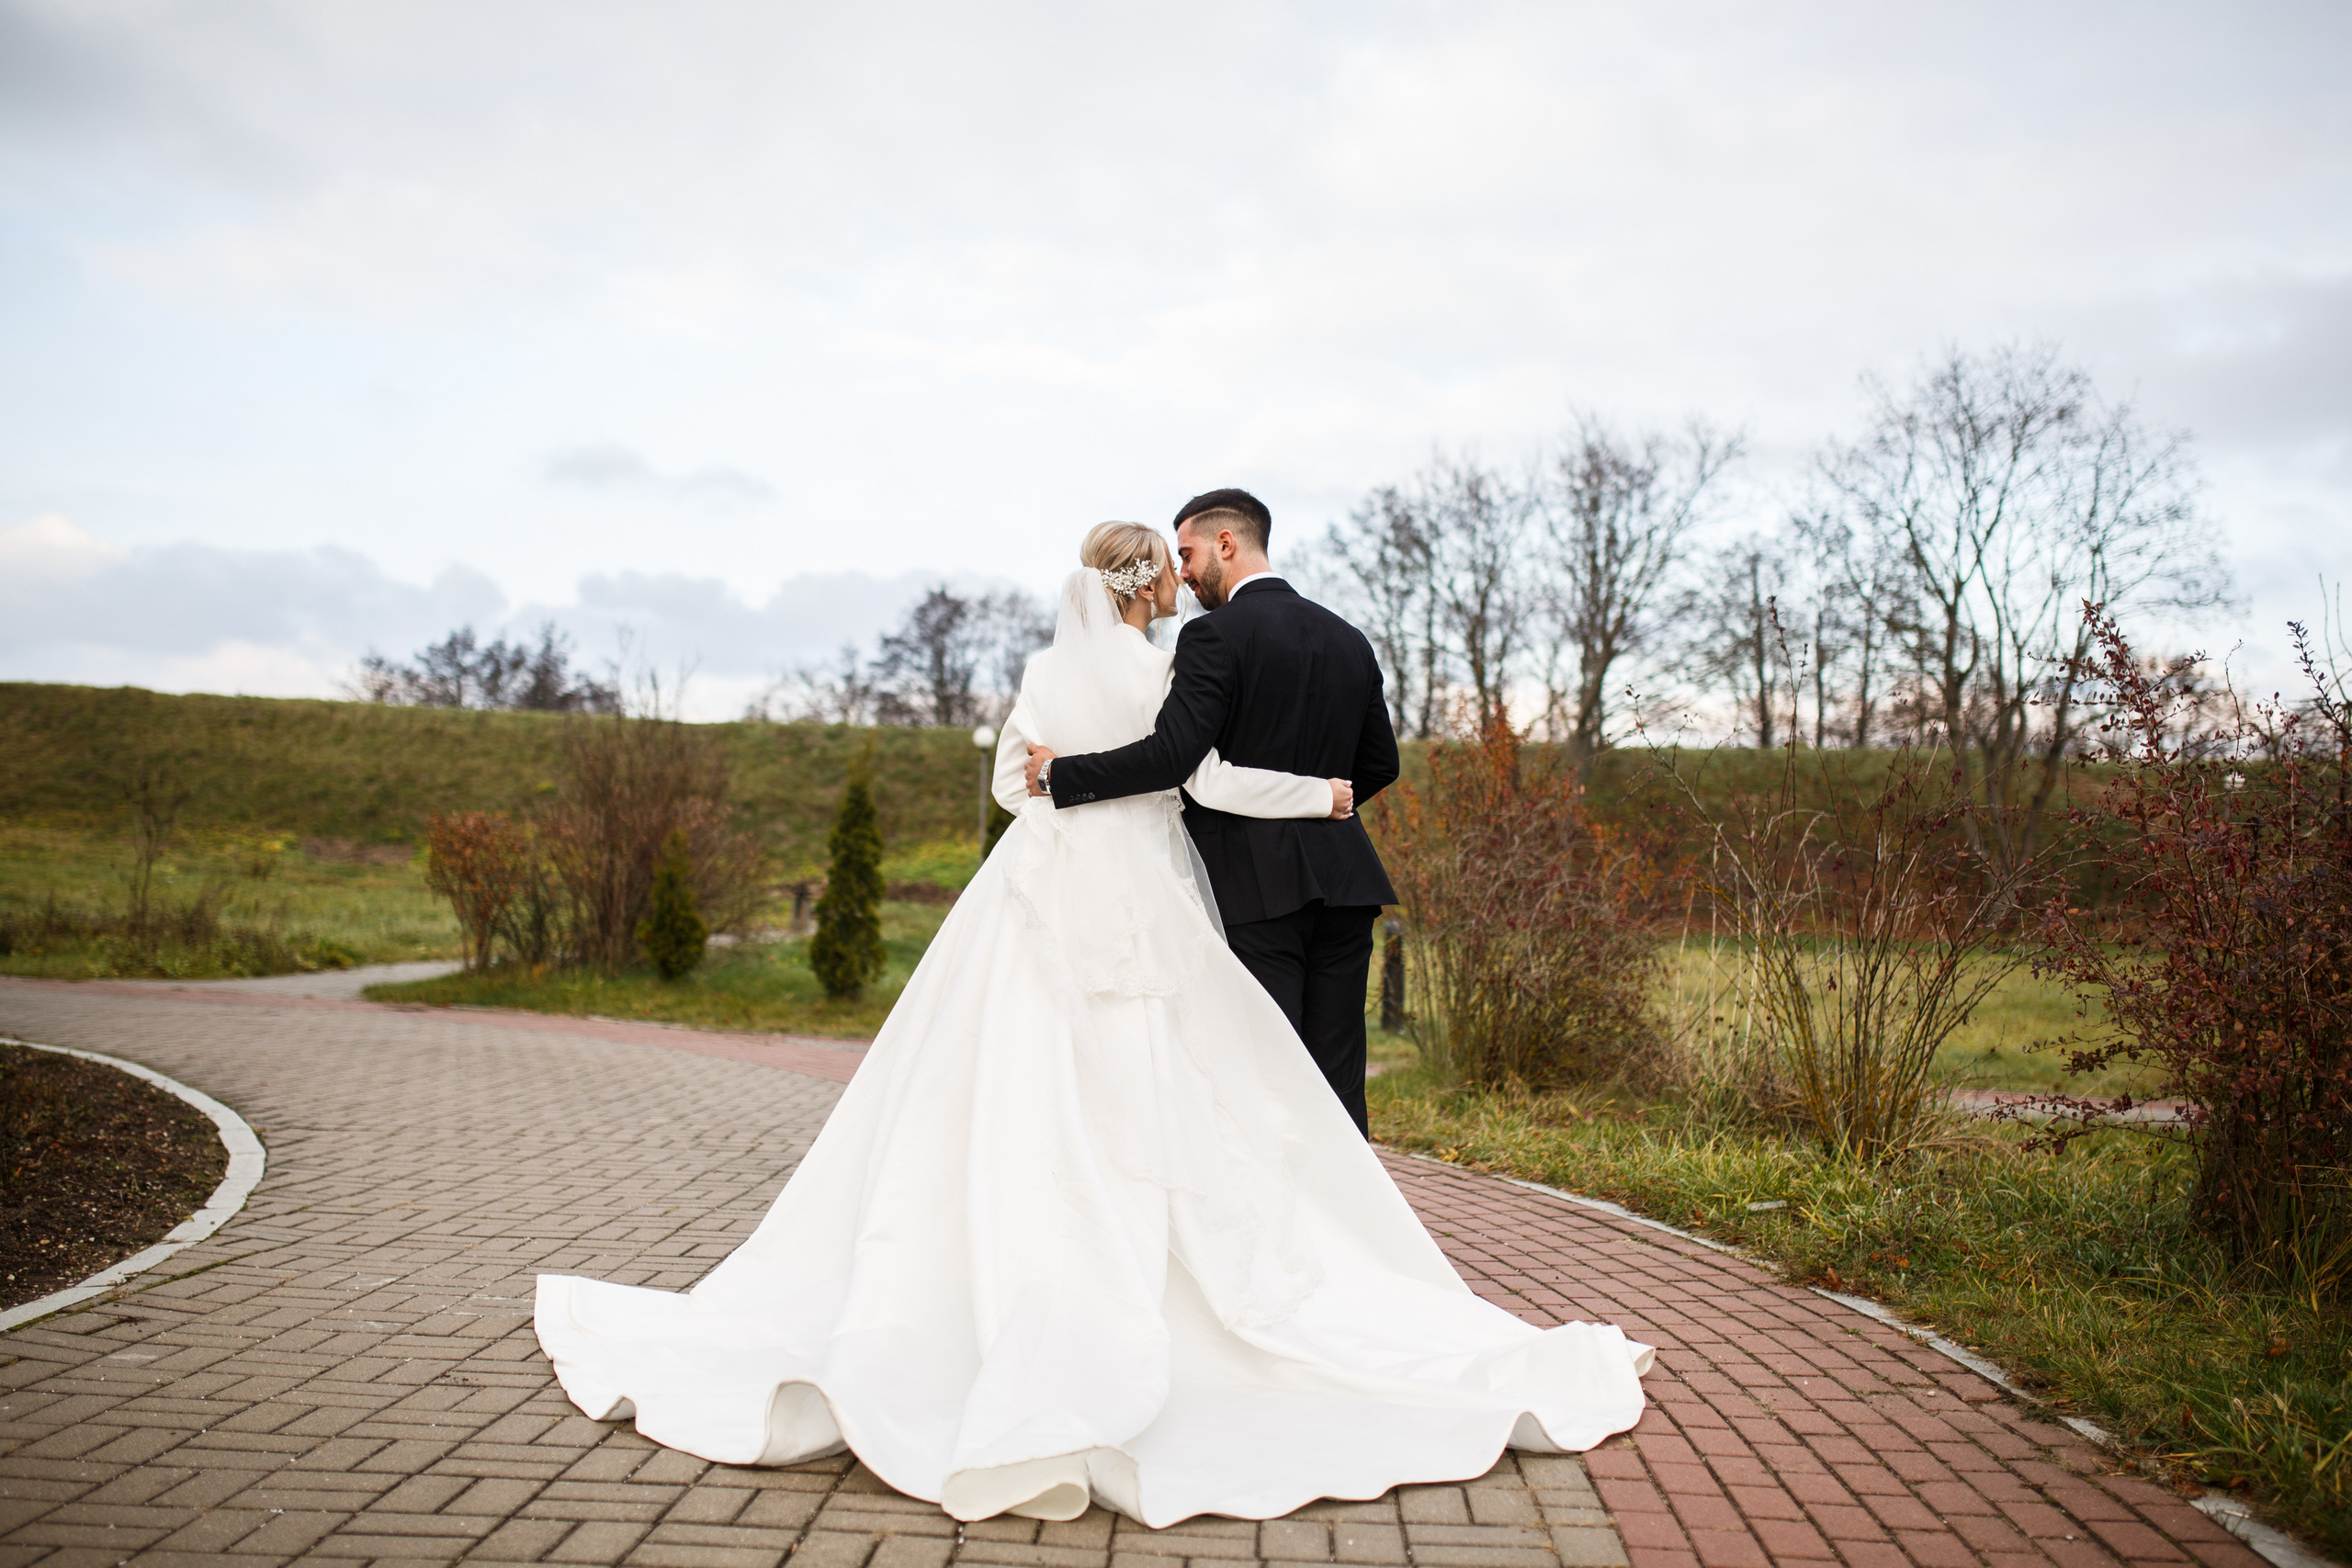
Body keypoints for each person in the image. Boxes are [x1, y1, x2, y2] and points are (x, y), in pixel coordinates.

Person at [533, 522, 1652, 1529]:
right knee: (1187, 1071)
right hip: (1147, 885)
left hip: (1040, 882)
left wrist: (1059, 787)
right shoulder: (1169, 668)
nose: (1180, 582)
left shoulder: (1040, 672)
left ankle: (999, 1247)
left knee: (1008, 1065)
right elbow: (1198, 779)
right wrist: (1316, 796)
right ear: (1148, 584)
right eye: (1169, 569)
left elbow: (1011, 789)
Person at [1024, 490, 1396, 1136]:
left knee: (1266, 1073)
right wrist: (1325, 806)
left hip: (1252, 885)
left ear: (1226, 543)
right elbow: (1380, 762)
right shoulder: (1349, 637)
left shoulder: (1212, 636)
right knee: (1338, 1074)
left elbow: (1175, 758)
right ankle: (1354, 1199)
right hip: (1346, 880)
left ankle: (1282, 1201)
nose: (1184, 573)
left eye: (1189, 554)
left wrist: (1061, 776)